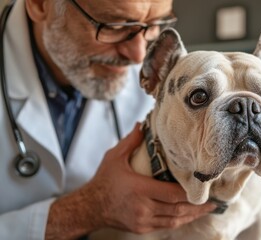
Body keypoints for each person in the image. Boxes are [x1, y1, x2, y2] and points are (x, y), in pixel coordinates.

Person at [0, 0, 216, 239]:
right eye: (113, 26)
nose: (137, 55)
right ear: (41, 4)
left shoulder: (162, 81)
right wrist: (88, 209)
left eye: (155, 25)